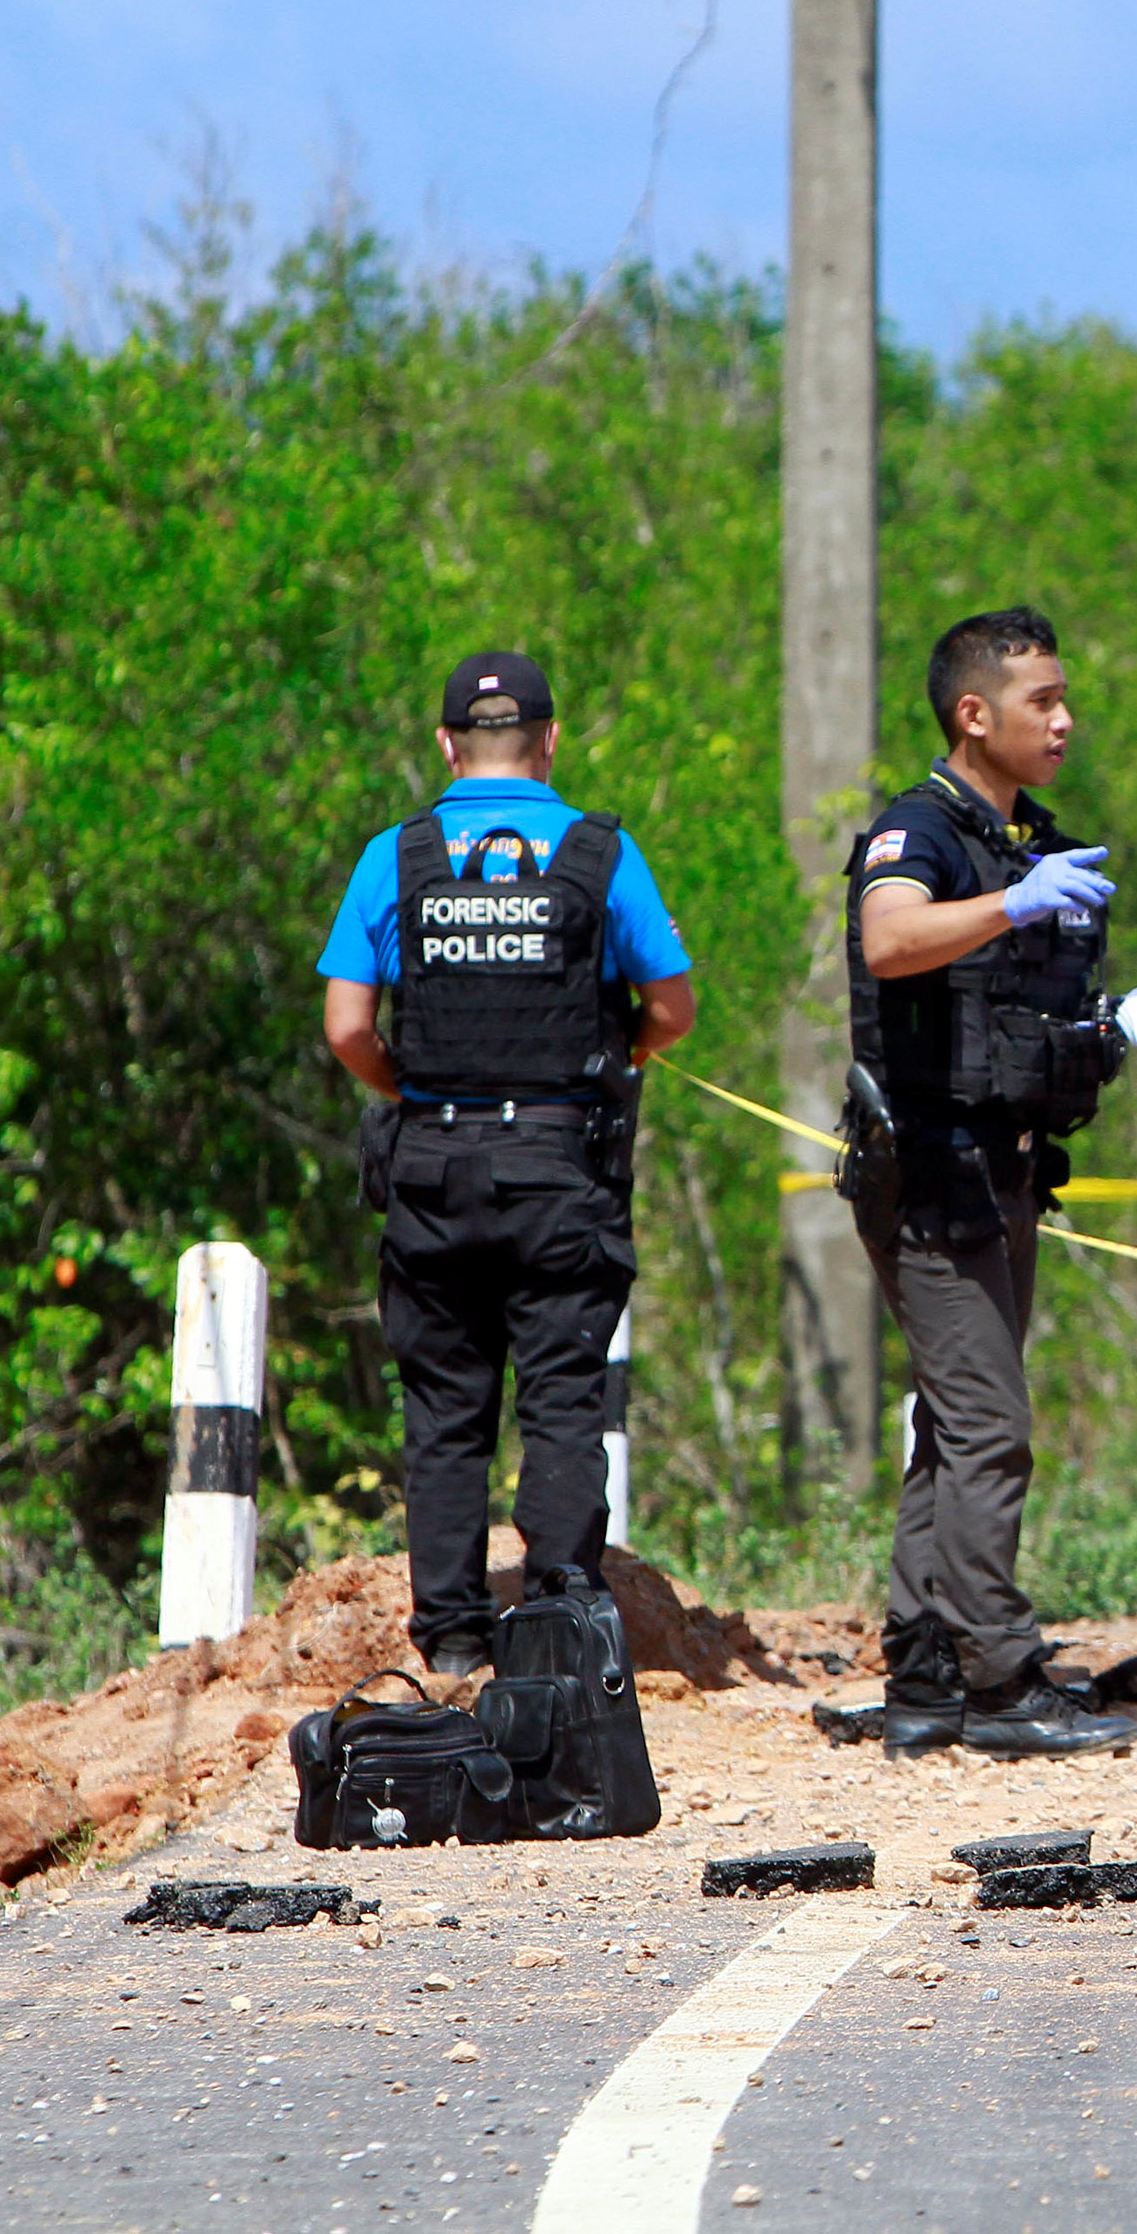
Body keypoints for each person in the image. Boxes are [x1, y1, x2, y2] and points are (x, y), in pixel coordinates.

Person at [320, 651, 697, 1677]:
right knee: (564, 1403)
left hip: (434, 1162)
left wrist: (413, 1090)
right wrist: (611, 1055)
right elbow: (671, 1010)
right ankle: (563, 1631)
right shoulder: (599, 854)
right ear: (551, 741)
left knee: (445, 1412)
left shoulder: (394, 857)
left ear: (446, 745)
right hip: (559, 1165)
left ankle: (448, 1639)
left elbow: (348, 1026)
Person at [841, 608, 1137, 1760]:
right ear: (975, 714)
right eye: (1041, 703)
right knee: (990, 1428)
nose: (1064, 721)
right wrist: (1011, 905)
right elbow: (889, 940)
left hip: (1006, 1168)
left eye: (1066, 702)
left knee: (952, 1432)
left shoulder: (1026, 838)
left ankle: (924, 1674)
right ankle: (1003, 1679)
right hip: (930, 1174)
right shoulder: (921, 832)